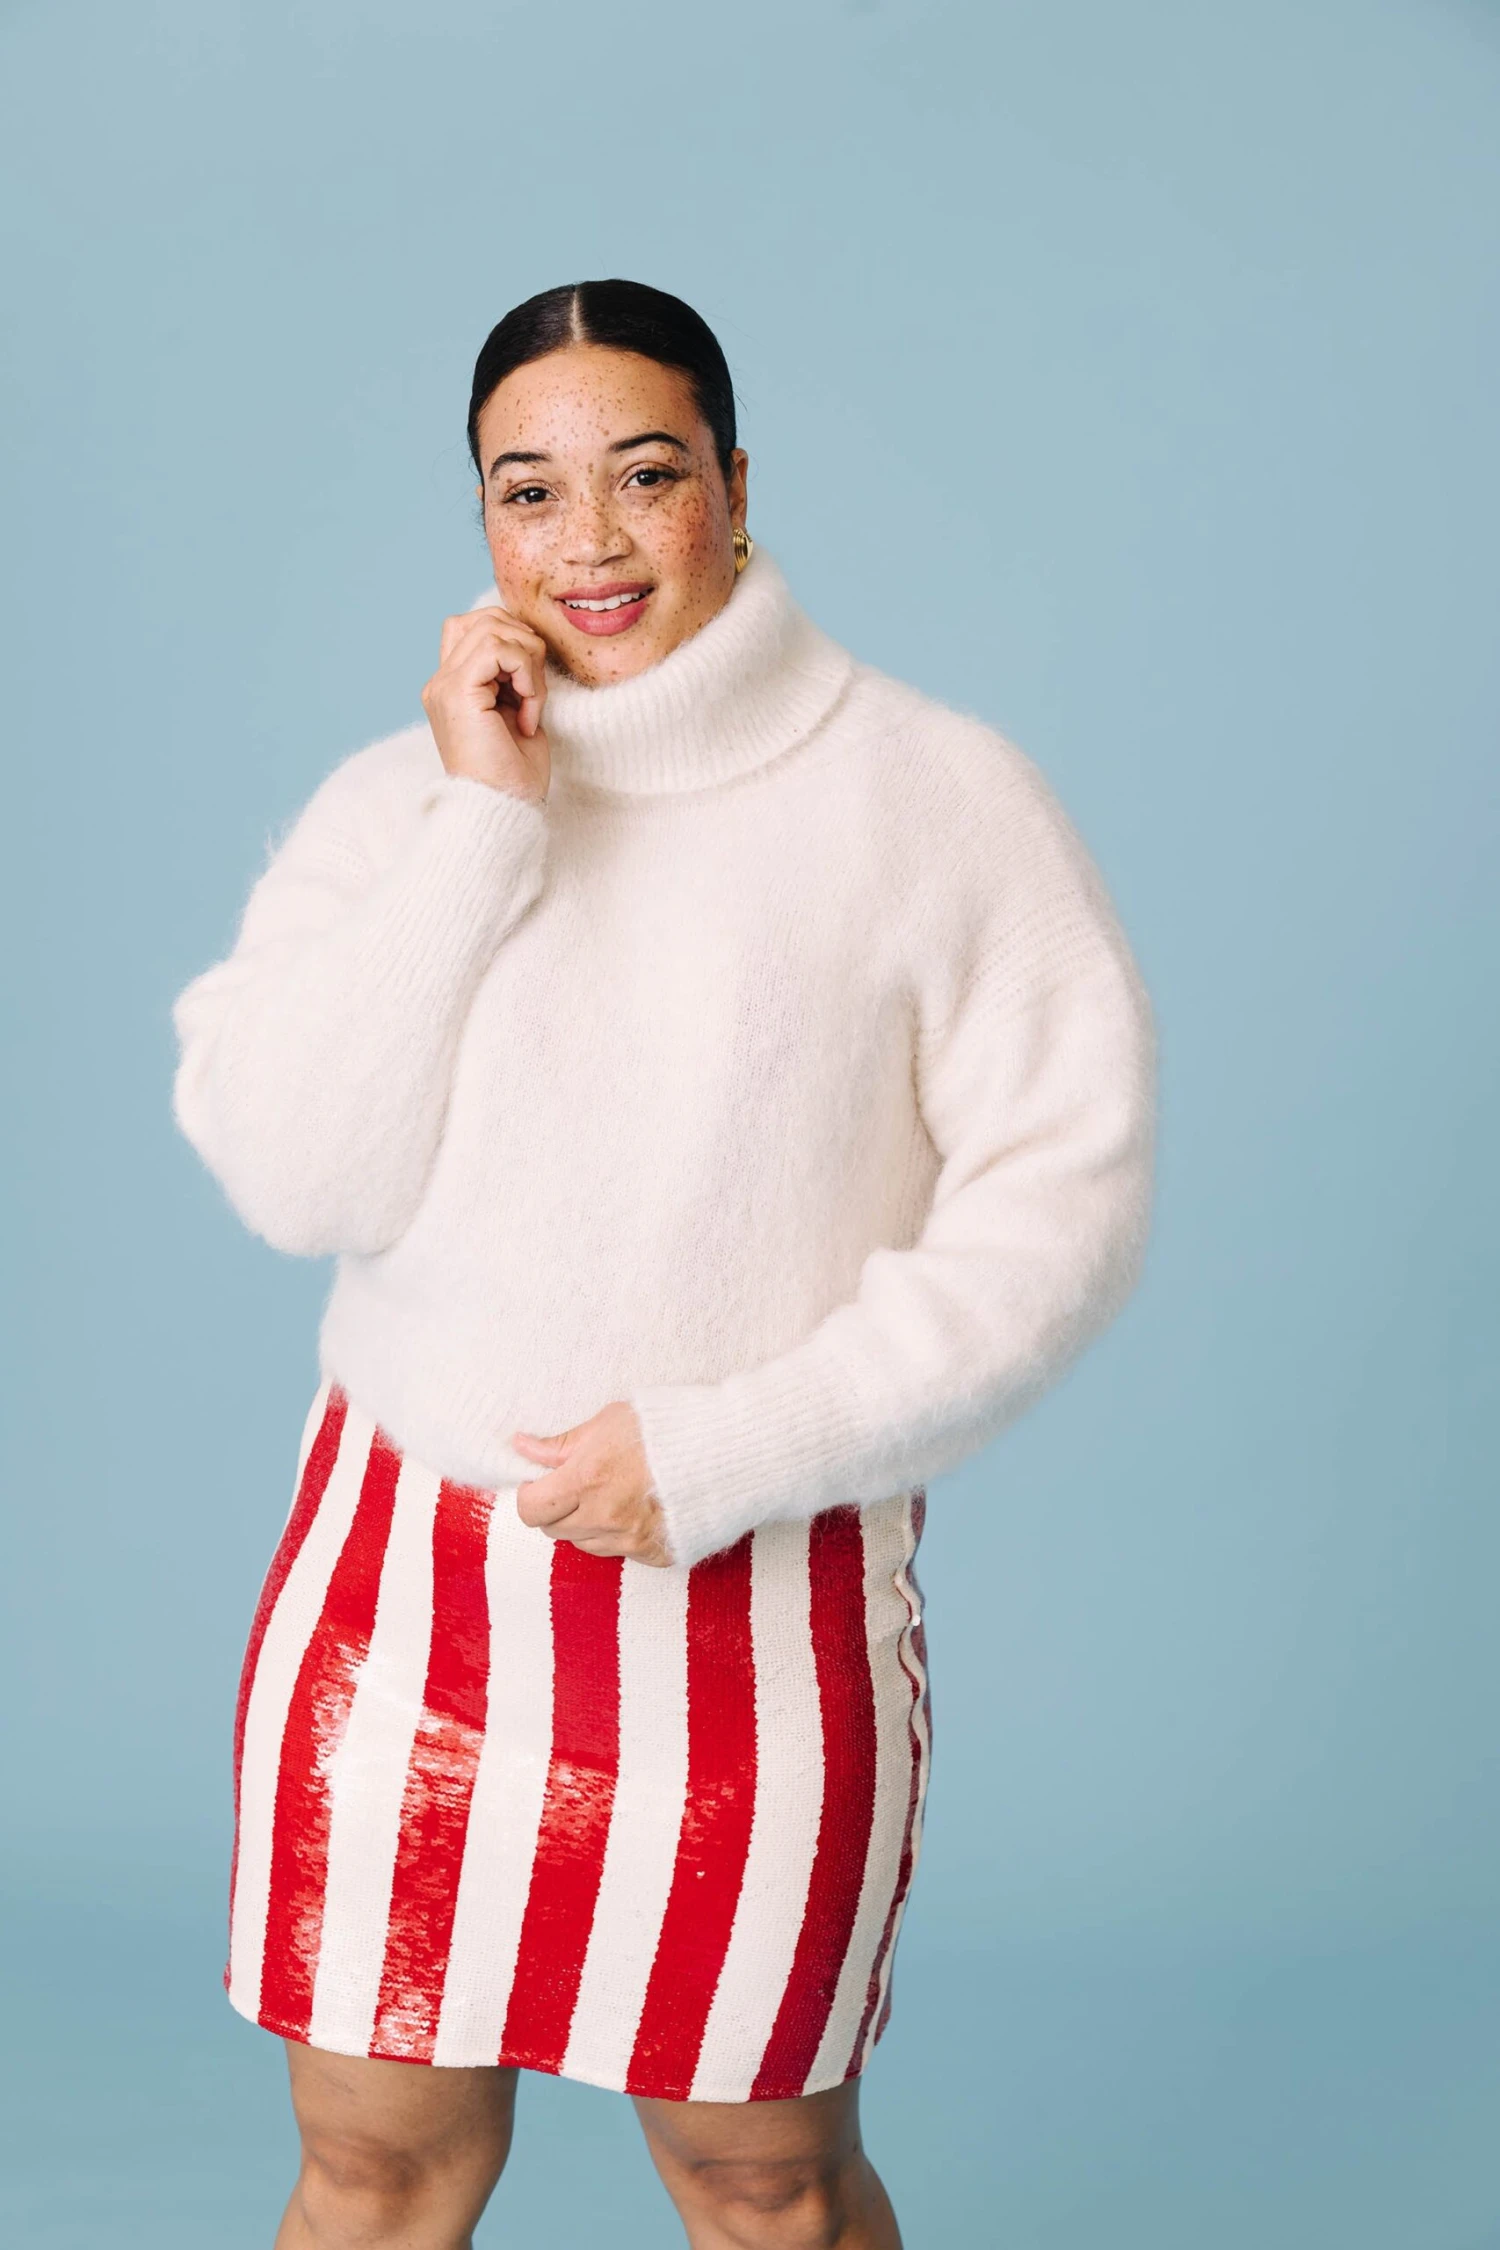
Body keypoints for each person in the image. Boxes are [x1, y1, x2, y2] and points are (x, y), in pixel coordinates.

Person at [172, 277, 1157, 2250]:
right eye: (527, 491)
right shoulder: (398, 807)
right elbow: (298, 1175)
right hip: (408, 1596)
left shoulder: (937, 798)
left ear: (734, 482)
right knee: (373, 2167)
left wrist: (729, 1445)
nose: (591, 540)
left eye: (645, 474)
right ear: (481, 520)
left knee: (762, 2176)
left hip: (758, 1603)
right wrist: (481, 829)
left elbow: (1063, 1212)